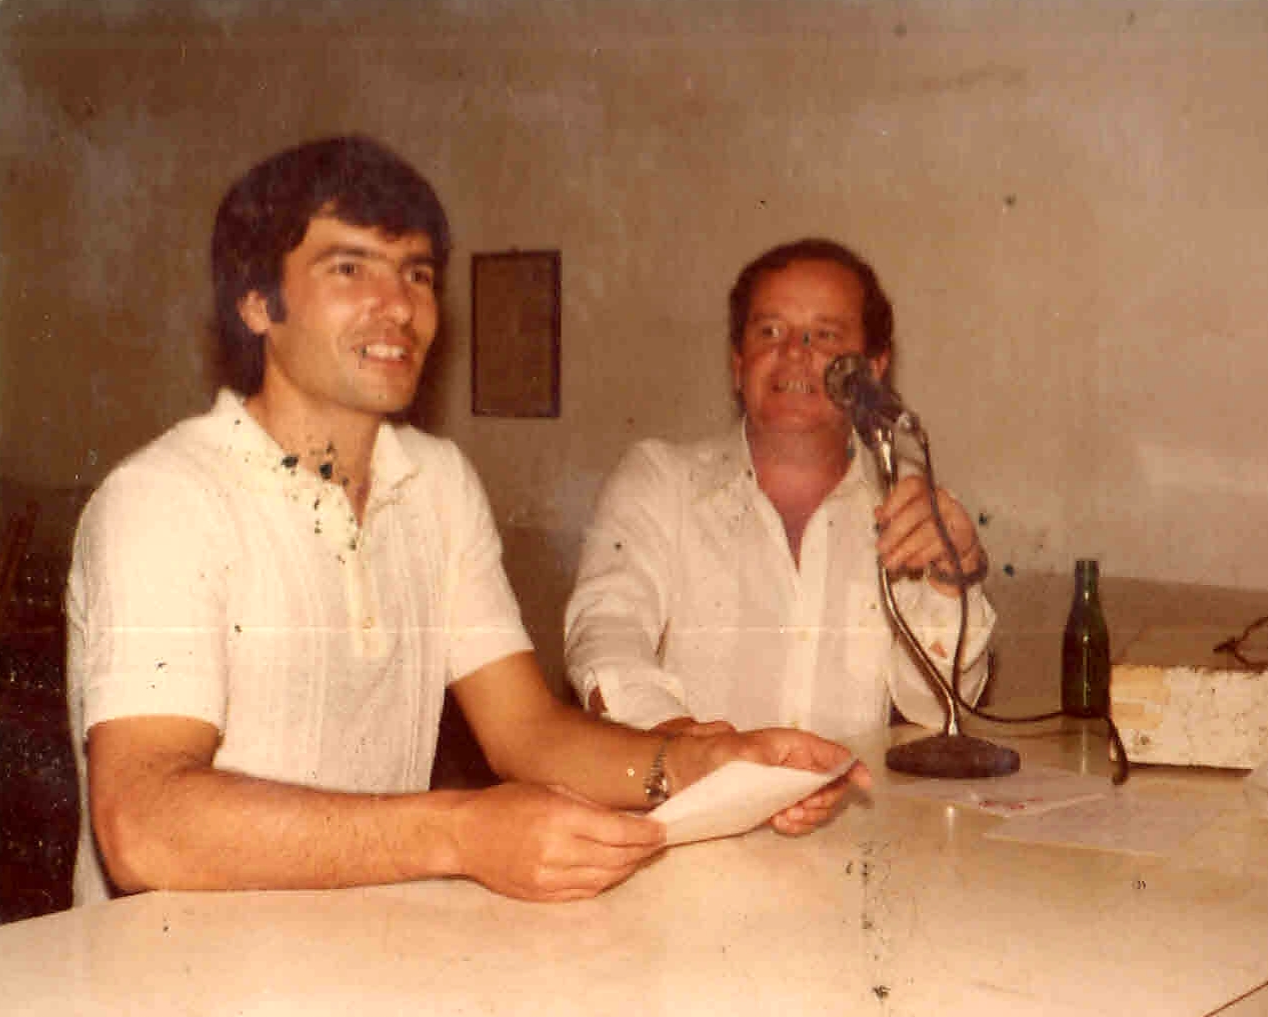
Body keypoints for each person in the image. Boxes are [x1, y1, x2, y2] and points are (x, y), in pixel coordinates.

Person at [64, 137, 866, 907]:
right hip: (178, 971)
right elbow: (143, 824)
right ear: (255, 301)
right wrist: (460, 831)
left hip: (366, 951)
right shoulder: (168, 499)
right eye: (350, 268)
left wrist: (706, 760)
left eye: (416, 273)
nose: (399, 305)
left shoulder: (437, 483)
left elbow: (526, 732)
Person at [564, 238, 996, 741]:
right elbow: (605, 632)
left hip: (852, 793)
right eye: (769, 331)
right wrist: (691, 746)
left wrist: (953, 578)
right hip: (686, 784)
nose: (793, 352)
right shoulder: (660, 481)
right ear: (738, 363)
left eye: (825, 335)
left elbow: (937, 708)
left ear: (874, 370)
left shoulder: (907, 502)